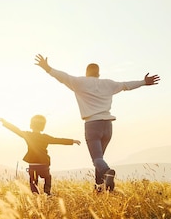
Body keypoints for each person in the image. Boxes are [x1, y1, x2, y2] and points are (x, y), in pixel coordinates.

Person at [34, 54, 160, 192]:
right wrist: (143, 82)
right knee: (99, 159)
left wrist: (47, 68)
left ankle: (108, 172)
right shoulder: (108, 83)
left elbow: (62, 77)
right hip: (108, 126)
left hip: (92, 125)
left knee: (97, 159)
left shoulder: (79, 82)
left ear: (86, 73)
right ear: (98, 73)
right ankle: (99, 188)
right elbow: (126, 86)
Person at [0, 115, 80, 195]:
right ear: (43, 127)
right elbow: (58, 140)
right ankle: (47, 193)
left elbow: (16, 130)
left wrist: (5, 123)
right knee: (47, 177)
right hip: (43, 165)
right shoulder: (45, 137)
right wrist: (72, 141)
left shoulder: (28, 135)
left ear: (31, 125)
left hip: (33, 165)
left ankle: (35, 195)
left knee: (33, 182)